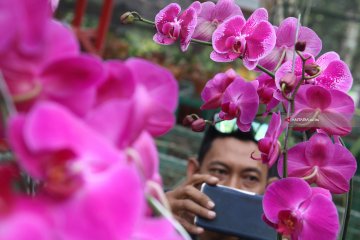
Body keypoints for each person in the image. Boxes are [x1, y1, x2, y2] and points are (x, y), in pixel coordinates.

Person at [165, 123, 278, 240]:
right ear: (194, 172)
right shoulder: (160, 214)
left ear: (269, 189)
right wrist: (154, 216)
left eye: (250, 178)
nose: (232, 186)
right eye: (220, 171)